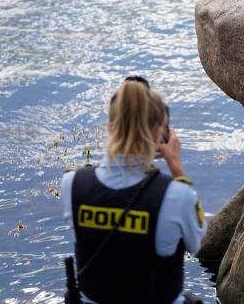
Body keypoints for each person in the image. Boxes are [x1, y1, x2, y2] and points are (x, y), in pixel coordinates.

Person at [61, 76, 206, 303]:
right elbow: (199, 244)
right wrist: (176, 167)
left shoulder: (73, 184)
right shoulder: (177, 195)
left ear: (109, 128)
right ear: (159, 134)